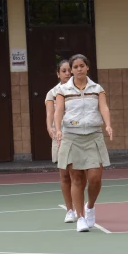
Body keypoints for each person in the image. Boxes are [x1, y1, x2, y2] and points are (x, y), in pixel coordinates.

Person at [54, 54, 113, 233]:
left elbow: (104, 107)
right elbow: (58, 112)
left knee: (95, 177)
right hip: (72, 136)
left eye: (82, 66)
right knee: (76, 178)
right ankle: (80, 217)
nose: (79, 69)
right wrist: (58, 129)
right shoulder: (63, 90)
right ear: (71, 70)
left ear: (87, 67)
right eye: (76, 66)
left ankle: (90, 207)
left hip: (93, 135)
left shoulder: (97, 89)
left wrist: (108, 125)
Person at [45, 59, 76, 222]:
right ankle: (70, 210)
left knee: (77, 175)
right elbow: (50, 113)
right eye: (63, 71)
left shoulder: (78, 89)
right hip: (61, 136)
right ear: (58, 74)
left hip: (77, 135)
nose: (67, 73)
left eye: (68, 70)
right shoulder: (52, 93)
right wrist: (51, 129)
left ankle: (80, 207)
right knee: (64, 175)